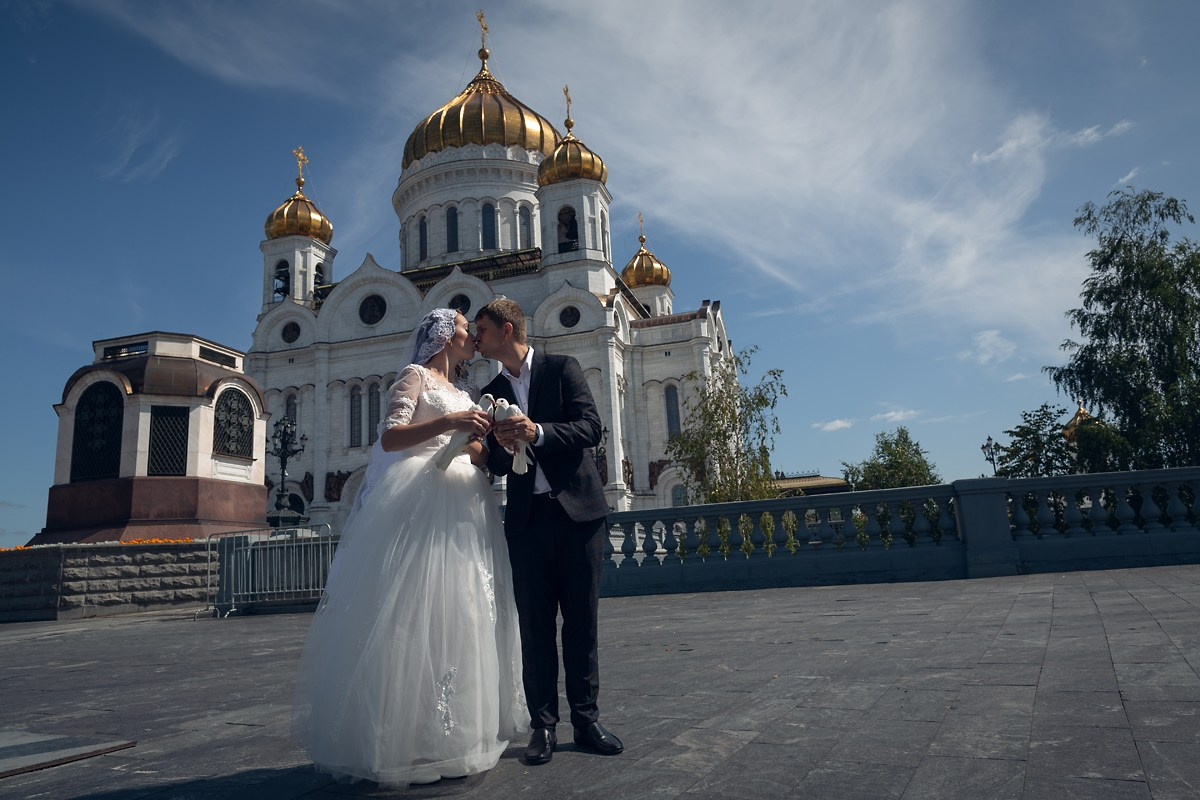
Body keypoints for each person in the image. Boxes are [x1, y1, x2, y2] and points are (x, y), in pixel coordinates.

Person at [292, 308, 526, 788]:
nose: (472, 338)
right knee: (412, 610)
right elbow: (391, 436)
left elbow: (476, 453)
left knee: (460, 612)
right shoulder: (414, 376)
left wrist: (481, 434)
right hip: (420, 499)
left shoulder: (464, 392)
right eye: (466, 330)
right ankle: (406, 737)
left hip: (465, 505)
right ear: (445, 336)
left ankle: (455, 733)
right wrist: (450, 424)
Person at [473, 298, 623, 765]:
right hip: (527, 522)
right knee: (534, 629)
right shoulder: (491, 389)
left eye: (482, 330)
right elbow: (500, 465)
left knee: (582, 624)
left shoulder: (562, 368)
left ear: (506, 328)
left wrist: (536, 432)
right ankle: (543, 727)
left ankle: (586, 719)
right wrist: (493, 448)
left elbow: (590, 429)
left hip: (579, 515)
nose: (476, 339)